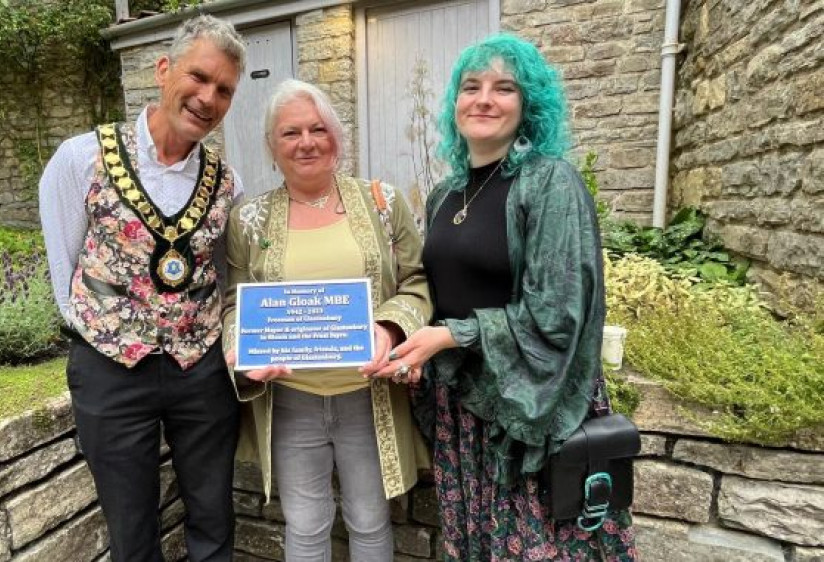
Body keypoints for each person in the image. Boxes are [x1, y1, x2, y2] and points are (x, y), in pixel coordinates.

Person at [362, 34, 638, 560]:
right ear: (455, 102)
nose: (484, 99)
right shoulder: (447, 192)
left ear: (527, 104)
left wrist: (450, 335)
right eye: (471, 86)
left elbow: (558, 314)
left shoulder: (550, 183)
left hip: (530, 410)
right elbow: (439, 289)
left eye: (503, 88)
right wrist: (415, 346)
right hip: (463, 411)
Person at [38, 15, 247, 562]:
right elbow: (65, 274)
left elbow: (223, 277)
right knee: (131, 529)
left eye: (223, 89)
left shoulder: (228, 183)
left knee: (213, 516)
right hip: (110, 370)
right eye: (198, 77)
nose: (207, 97)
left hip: (200, 370)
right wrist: (106, 339)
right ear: (163, 70)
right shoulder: (80, 158)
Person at [221, 79, 431, 561]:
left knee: (370, 520)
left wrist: (392, 327)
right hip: (292, 400)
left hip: (368, 396)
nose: (306, 142)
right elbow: (234, 300)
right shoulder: (248, 220)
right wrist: (244, 350)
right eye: (290, 133)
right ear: (272, 147)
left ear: (337, 137)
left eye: (318, 128)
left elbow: (418, 281)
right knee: (306, 525)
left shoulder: (383, 204)